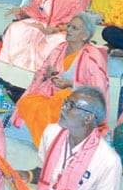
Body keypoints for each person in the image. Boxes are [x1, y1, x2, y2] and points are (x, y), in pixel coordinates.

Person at [13, 13, 109, 147]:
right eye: (69, 26)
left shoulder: (93, 57)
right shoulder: (59, 48)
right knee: (26, 102)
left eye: (75, 28)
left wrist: (71, 84)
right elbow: (41, 73)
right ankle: (47, 140)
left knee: (61, 101)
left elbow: (98, 90)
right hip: (49, 93)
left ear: (85, 36)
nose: (69, 30)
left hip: (75, 101)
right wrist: (47, 75)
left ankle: (53, 142)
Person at [0, 0, 82, 71]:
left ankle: (42, 68)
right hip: (39, 22)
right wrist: (22, 11)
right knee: (15, 28)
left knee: (56, 41)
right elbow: (33, 10)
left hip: (59, 29)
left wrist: (55, 29)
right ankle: (15, 60)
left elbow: (75, 23)